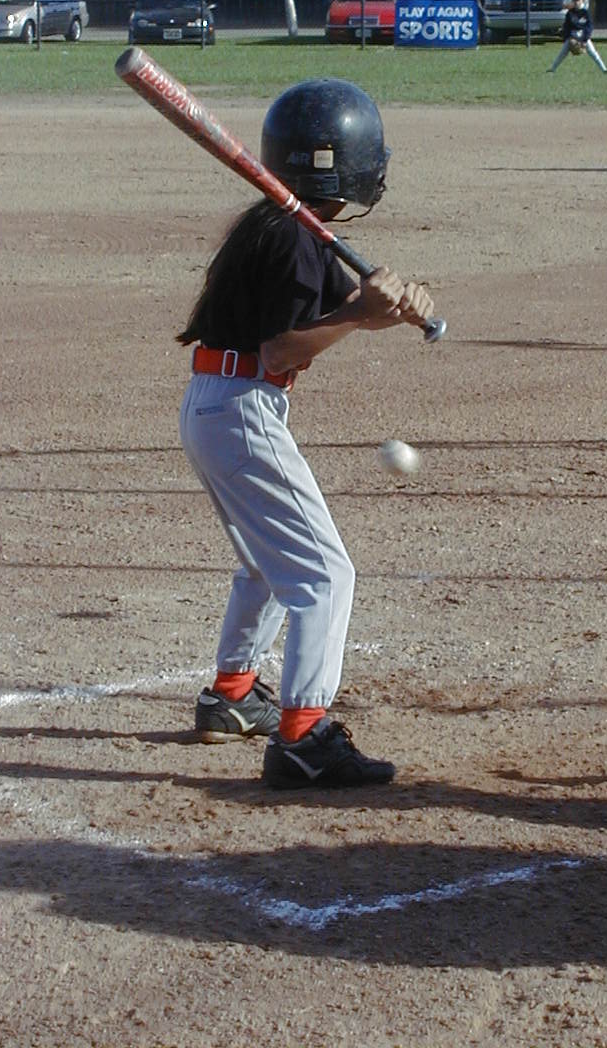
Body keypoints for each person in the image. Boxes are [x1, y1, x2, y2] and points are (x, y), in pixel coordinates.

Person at [179, 78, 435, 790]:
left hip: (216, 404)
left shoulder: (287, 228)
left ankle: (233, 695)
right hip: (242, 408)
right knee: (324, 574)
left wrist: (387, 306)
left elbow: (332, 310)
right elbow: (281, 350)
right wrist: (360, 314)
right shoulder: (292, 238)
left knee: (268, 562)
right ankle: (303, 738)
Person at [548, 0, 607, 74]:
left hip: (583, 34)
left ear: (582, 1)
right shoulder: (570, 13)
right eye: (575, 0)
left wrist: (585, 40)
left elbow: (589, 27)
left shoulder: (585, 12)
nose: (577, 2)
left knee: (593, 53)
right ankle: (552, 69)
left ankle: (604, 69)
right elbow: (567, 26)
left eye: (579, 0)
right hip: (573, 35)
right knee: (562, 53)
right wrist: (567, 37)